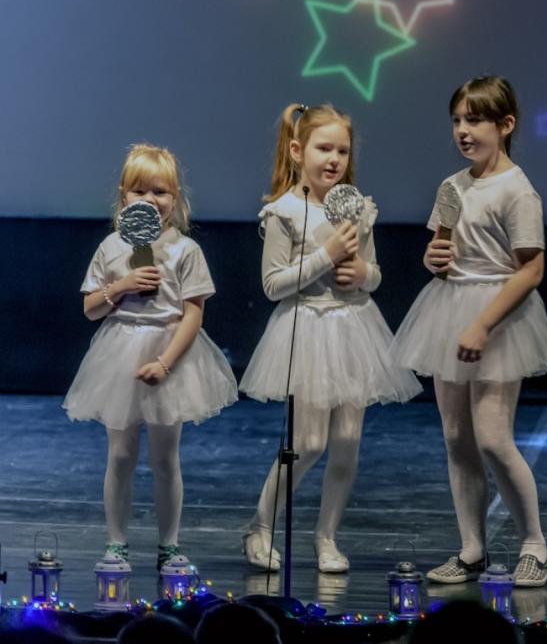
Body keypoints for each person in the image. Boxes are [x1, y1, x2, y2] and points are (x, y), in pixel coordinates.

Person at [392, 76, 547, 588]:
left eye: (475, 120)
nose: (463, 131)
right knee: (456, 435)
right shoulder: (453, 187)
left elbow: (531, 269)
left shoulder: (518, 190)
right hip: (450, 307)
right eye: (457, 121)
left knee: (492, 437)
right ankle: (472, 549)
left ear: (505, 125)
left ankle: (534, 543)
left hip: (498, 314)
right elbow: (442, 250)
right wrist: (433, 258)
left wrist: (483, 323)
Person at [240, 103, 420, 573]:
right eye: (324, 148)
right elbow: (273, 284)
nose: (334, 159)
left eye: (342, 150)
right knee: (310, 442)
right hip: (308, 329)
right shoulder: (284, 211)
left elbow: (373, 273)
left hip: (354, 327)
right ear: (298, 151)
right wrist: (326, 255)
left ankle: (327, 536)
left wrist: (362, 273)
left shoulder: (356, 207)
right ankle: (260, 526)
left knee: (347, 440)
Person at [65, 144, 237, 570]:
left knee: (165, 457)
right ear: (123, 196)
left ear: (175, 198)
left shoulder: (185, 250)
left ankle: (169, 545)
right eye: (139, 191)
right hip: (120, 351)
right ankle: (116, 543)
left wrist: (165, 363)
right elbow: (91, 309)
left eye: (160, 191)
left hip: (169, 352)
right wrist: (121, 286)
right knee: (121, 455)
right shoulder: (110, 247)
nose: (149, 200)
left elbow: (193, 313)